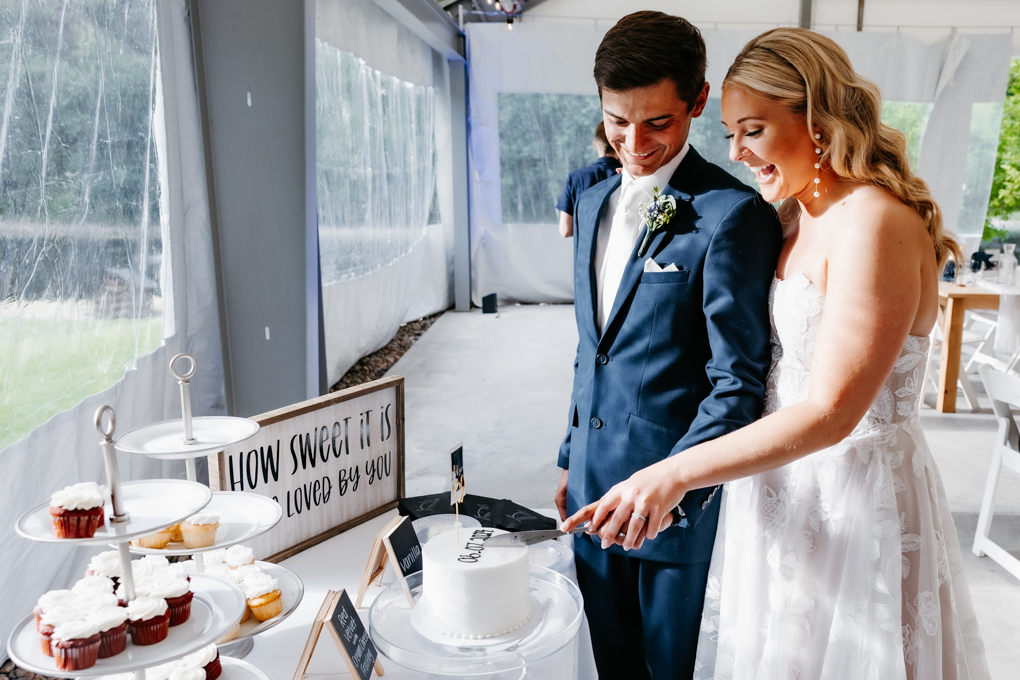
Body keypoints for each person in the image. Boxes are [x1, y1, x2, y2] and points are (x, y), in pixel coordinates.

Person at [564, 27, 990, 680]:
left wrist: (676, 473)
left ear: (815, 117)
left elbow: (831, 411)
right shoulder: (794, 215)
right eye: (733, 131)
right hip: (780, 491)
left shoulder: (875, 222)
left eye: (753, 130)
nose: (735, 151)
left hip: (853, 496)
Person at [553, 11, 782, 679]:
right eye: (618, 119)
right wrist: (572, 453)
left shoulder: (732, 215)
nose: (635, 141)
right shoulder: (593, 197)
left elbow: (737, 380)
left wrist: (671, 489)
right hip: (592, 485)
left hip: (670, 501)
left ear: (698, 102)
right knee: (612, 662)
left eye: (658, 121)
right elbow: (590, 348)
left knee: (663, 669)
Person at [556, 122, 621, 237]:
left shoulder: (575, 178)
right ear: (618, 145)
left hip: (586, 252)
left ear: (595, 145)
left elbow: (565, 230)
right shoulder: (627, 177)